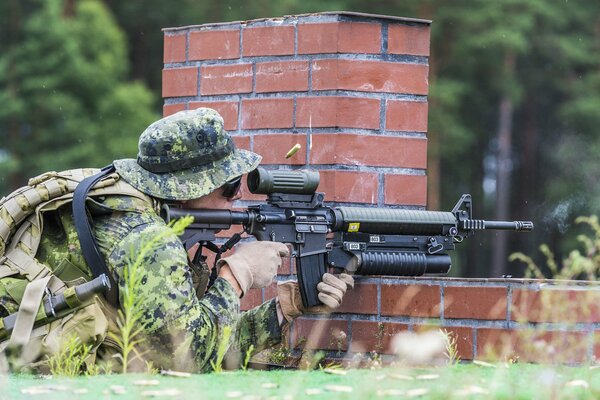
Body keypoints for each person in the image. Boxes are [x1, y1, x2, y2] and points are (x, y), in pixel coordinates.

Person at [35, 107, 354, 372]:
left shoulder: (121, 207)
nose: (238, 194)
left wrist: (286, 306)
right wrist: (237, 273)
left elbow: (209, 342)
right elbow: (186, 356)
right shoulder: (150, 240)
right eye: (229, 186)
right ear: (189, 188)